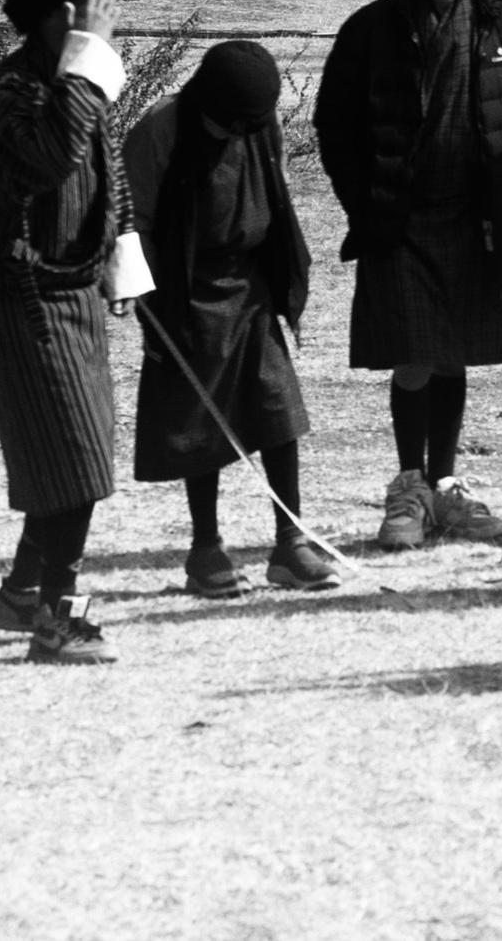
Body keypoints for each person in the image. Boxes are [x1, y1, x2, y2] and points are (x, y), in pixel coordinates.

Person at [314, 0, 502, 549]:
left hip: (473, 218)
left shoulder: (501, 26)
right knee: (412, 356)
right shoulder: (373, 27)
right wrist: (364, 199)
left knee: (454, 352)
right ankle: (408, 488)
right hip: (399, 219)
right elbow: (334, 123)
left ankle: (445, 487)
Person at [0, 0, 149, 665]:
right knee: (72, 462)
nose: (110, 14)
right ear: (56, 11)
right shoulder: (17, 86)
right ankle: (56, 617)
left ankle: (20, 591)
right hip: (23, 295)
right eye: (96, 1)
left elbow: (109, 171)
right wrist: (88, 63)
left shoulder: (81, 79)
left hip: (77, 292)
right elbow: (51, 156)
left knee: (78, 453)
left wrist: (125, 265)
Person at [126, 37, 332, 596]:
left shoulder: (257, 122)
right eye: (228, 126)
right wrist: (148, 303)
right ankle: (205, 550)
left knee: (279, 409)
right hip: (186, 289)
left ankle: (291, 543)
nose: (238, 136)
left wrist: (287, 280)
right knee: (200, 421)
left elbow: (278, 193)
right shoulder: (160, 128)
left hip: (252, 283)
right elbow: (133, 219)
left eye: (248, 125)